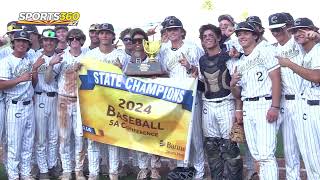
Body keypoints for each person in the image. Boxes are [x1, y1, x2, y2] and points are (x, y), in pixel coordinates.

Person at [230, 22, 281, 180]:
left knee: (266, 155)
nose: (242, 36)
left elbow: (276, 79)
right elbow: (237, 94)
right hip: (248, 107)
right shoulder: (239, 63)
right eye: (239, 34)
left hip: (265, 104)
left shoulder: (265, 50)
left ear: (255, 35)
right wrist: (232, 84)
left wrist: (275, 106)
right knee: (257, 155)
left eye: (246, 33)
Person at [159, 16, 205, 180]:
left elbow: (203, 72)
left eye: (175, 29)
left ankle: (199, 171)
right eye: (169, 30)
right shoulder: (163, 51)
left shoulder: (192, 47)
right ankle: (181, 168)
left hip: (192, 96)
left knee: (196, 136)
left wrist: (190, 67)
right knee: (178, 134)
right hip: (174, 97)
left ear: (181, 31)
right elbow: (163, 72)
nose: (171, 32)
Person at [276, 17, 320, 180]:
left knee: (315, 158)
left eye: (302, 29)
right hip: (307, 108)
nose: (297, 33)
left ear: (312, 30)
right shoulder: (306, 52)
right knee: (311, 158)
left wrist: (289, 64)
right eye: (294, 30)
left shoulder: (317, 50)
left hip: (316, 108)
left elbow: (317, 76)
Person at [198, 23, 243, 180]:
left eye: (211, 35)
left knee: (230, 146)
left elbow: (236, 84)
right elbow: (202, 83)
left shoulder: (229, 56)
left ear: (218, 37)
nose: (208, 38)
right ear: (202, 41)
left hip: (226, 103)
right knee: (211, 146)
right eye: (204, 37)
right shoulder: (201, 60)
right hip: (208, 105)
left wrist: (238, 109)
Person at [85, 23, 128, 180]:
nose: (104, 35)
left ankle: (113, 173)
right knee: (93, 139)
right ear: (98, 35)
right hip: (94, 102)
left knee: (113, 138)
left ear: (112, 36)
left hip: (114, 102)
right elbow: (82, 77)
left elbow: (129, 81)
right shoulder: (90, 55)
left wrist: (121, 71)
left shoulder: (122, 55)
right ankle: (94, 173)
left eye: (107, 33)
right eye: (101, 33)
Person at [0, 30, 44, 180]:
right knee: (14, 144)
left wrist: (35, 70)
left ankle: (25, 174)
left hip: (28, 105)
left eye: (25, 42)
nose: (21, 44)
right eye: (19, 41)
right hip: (14, 105)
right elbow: (1, 85)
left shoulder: (28, 61)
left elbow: (33, 83)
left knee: (27, 143)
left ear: (28, 45)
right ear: (13, 43)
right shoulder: (6, 61)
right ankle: (13, 175)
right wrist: (20, 79)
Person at [45, 28, 87, 180]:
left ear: (82, 40)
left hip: (82, 101)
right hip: (63, 100)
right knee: (64, 138)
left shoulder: (88, 57)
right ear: (68, 41)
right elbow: (48, 80)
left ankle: (79, 170)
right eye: (72, 39)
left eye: (78, 38)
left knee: (80, 137)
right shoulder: (61, 57)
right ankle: (67, 170)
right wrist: (50, 65)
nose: (75, 41)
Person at [268, 12, 304, 180]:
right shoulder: (272, 49)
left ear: (289, 26)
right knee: (290, 150)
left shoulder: (300, 42)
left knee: (310, 149)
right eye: (273, 30)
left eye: (279, 29)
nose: (276, 33)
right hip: (285, 102)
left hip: (306, 101)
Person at [33, 29, 60, 179]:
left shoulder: (61, 57)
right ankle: (43, 169)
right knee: (41, 138)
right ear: (42, 42)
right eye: (45, 40)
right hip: (40, 98)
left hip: (55, 98)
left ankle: (52, 165)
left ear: (56, 42)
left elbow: (52, 80)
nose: (48, 42)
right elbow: (40, 80)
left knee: (54, 137)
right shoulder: (34, 56)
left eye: (51, 40)